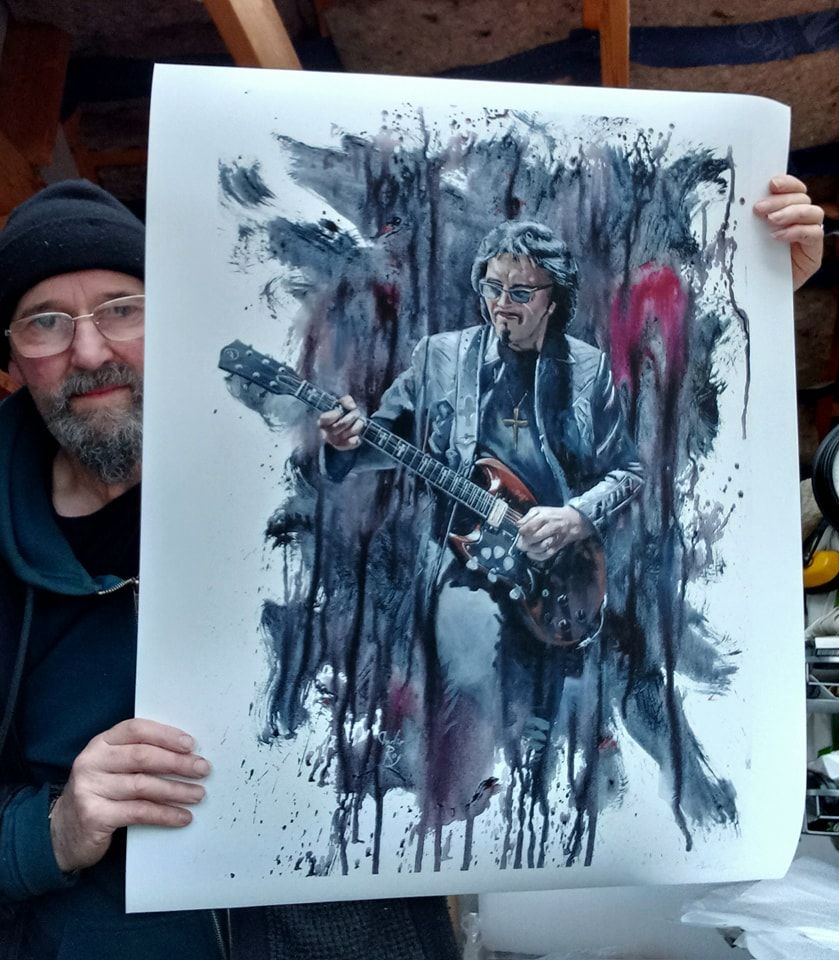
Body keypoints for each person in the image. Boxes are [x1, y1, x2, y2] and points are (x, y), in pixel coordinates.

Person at [0, 180, 460, 960]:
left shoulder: (303, 478)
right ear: (13, 358)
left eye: (121, 309)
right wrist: (51, 830)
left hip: (344, 928)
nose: (91, 352)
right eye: (45, 321)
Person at [317, 173, 825, 846]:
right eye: (492, 289)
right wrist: (345, 444)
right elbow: (381, 442)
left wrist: (577, 516)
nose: (501, 305)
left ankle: (683, 807)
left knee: (625, 683)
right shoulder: (441, 359)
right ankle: (461, 806)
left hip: (572, 564)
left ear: (552, 299)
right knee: (466, 667)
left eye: (519, 293)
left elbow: (628, 470)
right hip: (470, 560)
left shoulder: (585, 371)